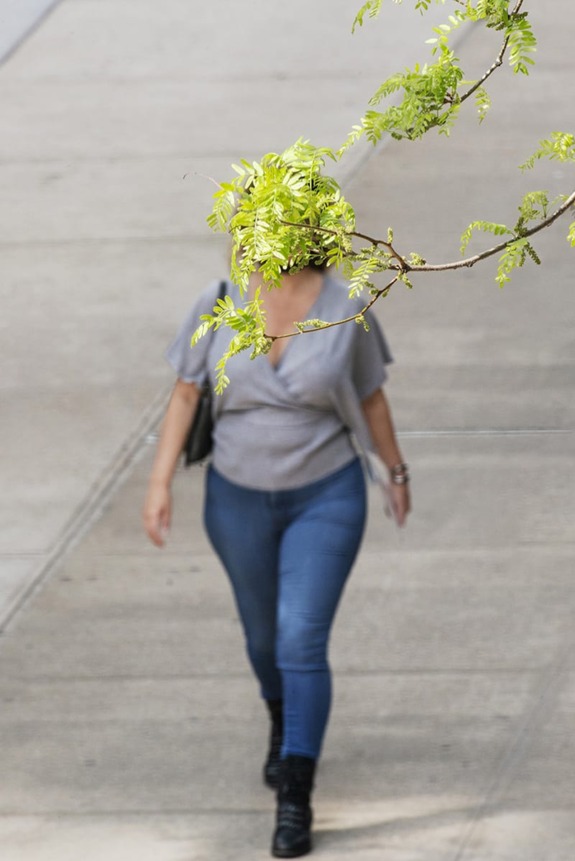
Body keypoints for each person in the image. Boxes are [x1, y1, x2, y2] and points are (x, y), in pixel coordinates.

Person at [143, 262, 411, 858]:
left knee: (300, 641)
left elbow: (371, 400)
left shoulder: (348, 307)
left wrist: (395, 472)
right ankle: (280, 715)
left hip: (325, 495)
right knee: (265, 641)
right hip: (236, 499)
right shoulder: (218, 298)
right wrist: (159, 483)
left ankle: (296, 793)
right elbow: (186, 392)